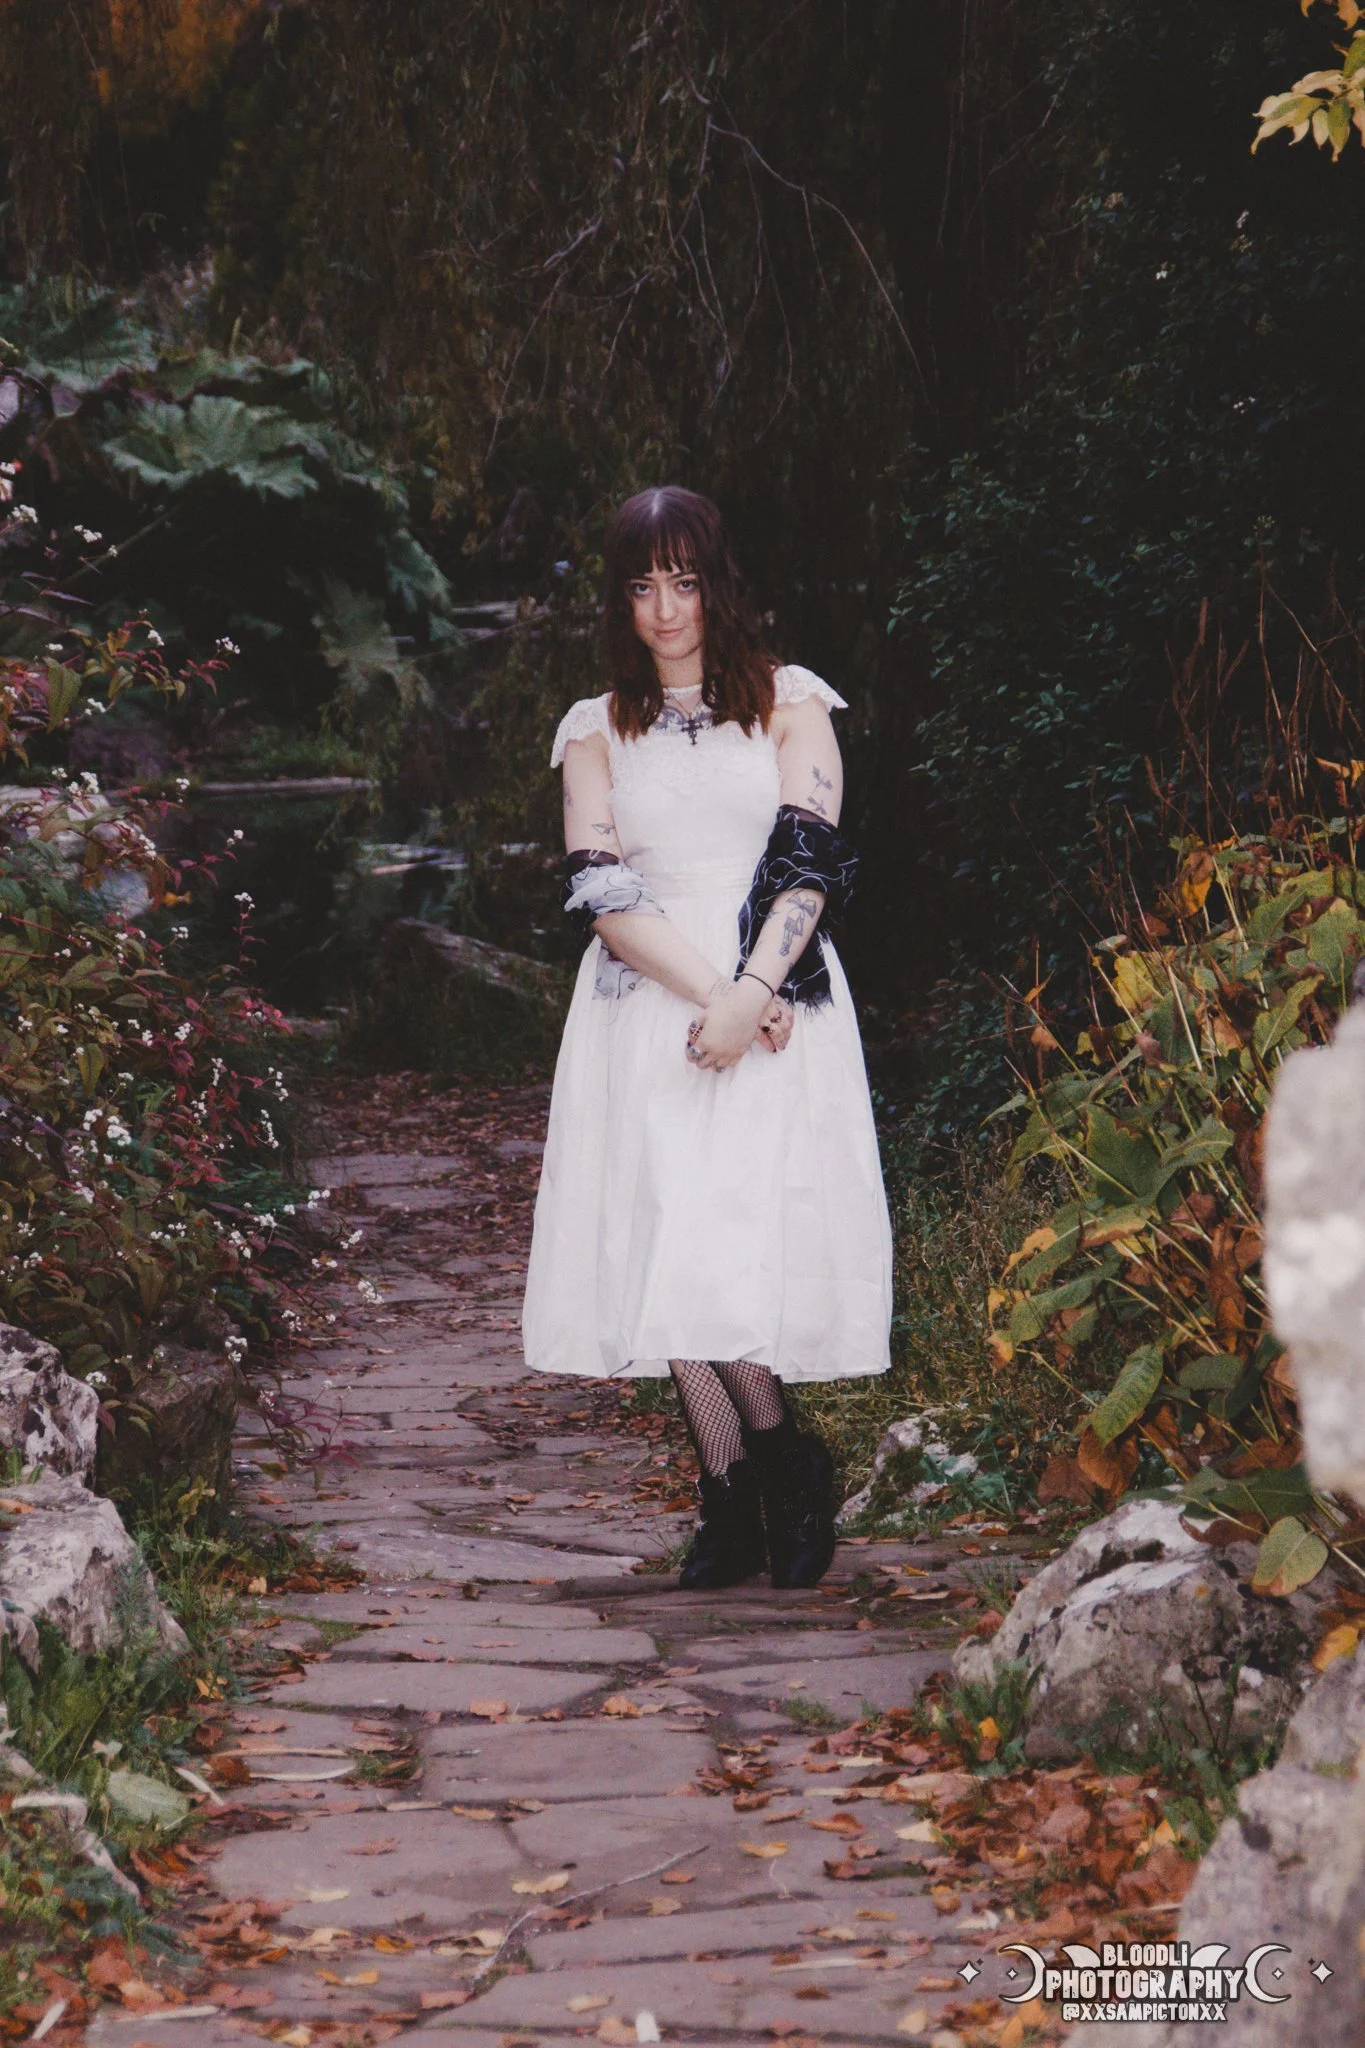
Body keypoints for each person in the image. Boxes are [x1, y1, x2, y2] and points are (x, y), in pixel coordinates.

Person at [521, 485, 892, 1590]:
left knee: (730, 1238)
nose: (665, 607)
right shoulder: (595, 729)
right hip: (647, 1006)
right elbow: (602, 885)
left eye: (683, 580)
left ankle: (759, 1478)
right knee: (664, 1237)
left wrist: (755, 990)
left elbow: (809, 859)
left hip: (780, 1002)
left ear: (716, 583)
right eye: (641, 585)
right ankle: (755, 1476)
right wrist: (714, 998)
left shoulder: (790, 702)